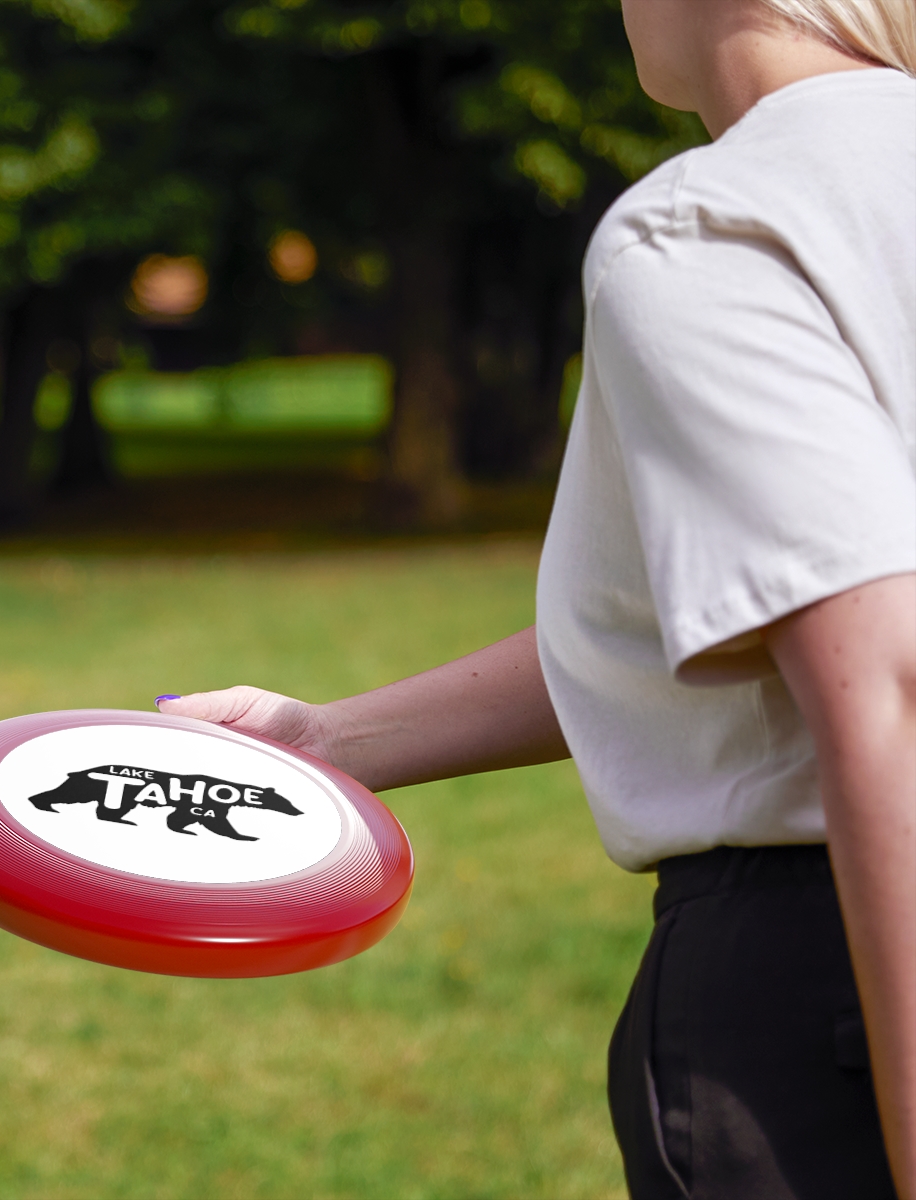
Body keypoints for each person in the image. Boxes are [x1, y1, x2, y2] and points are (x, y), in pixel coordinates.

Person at [154, 1, 916, 1195]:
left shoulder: (717, 224)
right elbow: (722, 616)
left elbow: (888, 683)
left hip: (832, 988)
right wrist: (326, 739)